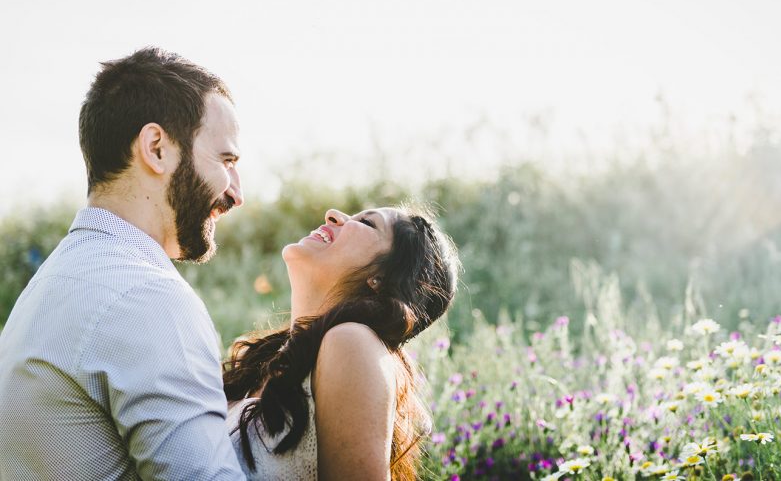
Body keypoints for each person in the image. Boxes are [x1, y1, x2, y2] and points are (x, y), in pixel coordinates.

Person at [0, 47, 248, 480]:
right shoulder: (145, 297)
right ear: (156, 149)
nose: (236, 193)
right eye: (226, 160)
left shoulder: (54, 281)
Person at [223, 205, 458, 481]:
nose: (333, 214)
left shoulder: (352, 342)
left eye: (368, 223)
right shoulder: (269, 359)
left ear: (380, 279)